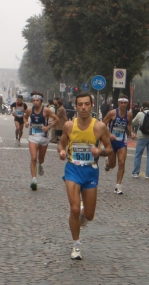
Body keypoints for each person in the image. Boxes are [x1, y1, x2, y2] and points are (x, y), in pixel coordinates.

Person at [58, 92, 112, 260]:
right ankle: (76, 245)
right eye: (80, 104)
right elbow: (62, 143)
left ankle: (82, 215)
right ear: (76, 106)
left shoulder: (99, 127)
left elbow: (110, 148)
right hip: (73, 169)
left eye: (86, 104)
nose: (83, 107)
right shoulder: (68, 125)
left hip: (90, 171)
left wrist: (100, 151)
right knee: (74, 208)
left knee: (89, 215)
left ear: (92, 105)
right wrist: (61, 151)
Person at [24, 90, 59, 190]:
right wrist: (26, 123)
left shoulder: (46, 110)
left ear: (41, 101)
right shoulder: (30, 110)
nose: (35, 102)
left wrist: (48, 127)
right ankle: (34, 179)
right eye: (33, 100)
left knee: (41, 159)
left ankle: (40, 165)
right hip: (33, 136)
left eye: (37, 100)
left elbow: (57, 119)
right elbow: (25, 117)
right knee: (33, 157)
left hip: (44, 137)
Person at [102, 95, 135, 194]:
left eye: (125, 103)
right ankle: (108, 162)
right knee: (112, 165)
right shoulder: (112, 113)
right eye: (121, 103)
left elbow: (129, 124)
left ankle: (118, 186)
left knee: (121, 162)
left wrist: (131, 132)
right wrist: (109, 134)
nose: (123, 105)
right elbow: (102, 125)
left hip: (122, 141)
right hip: (111, 142)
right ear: (118, 103)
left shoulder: (129, 115)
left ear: (127, 104)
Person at [131, 101, 149, 179]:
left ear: (142, 107)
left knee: (138, 155)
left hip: (142, 137)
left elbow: (133, 122)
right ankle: (148, 175)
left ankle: (136, 173)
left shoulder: (140, 114)